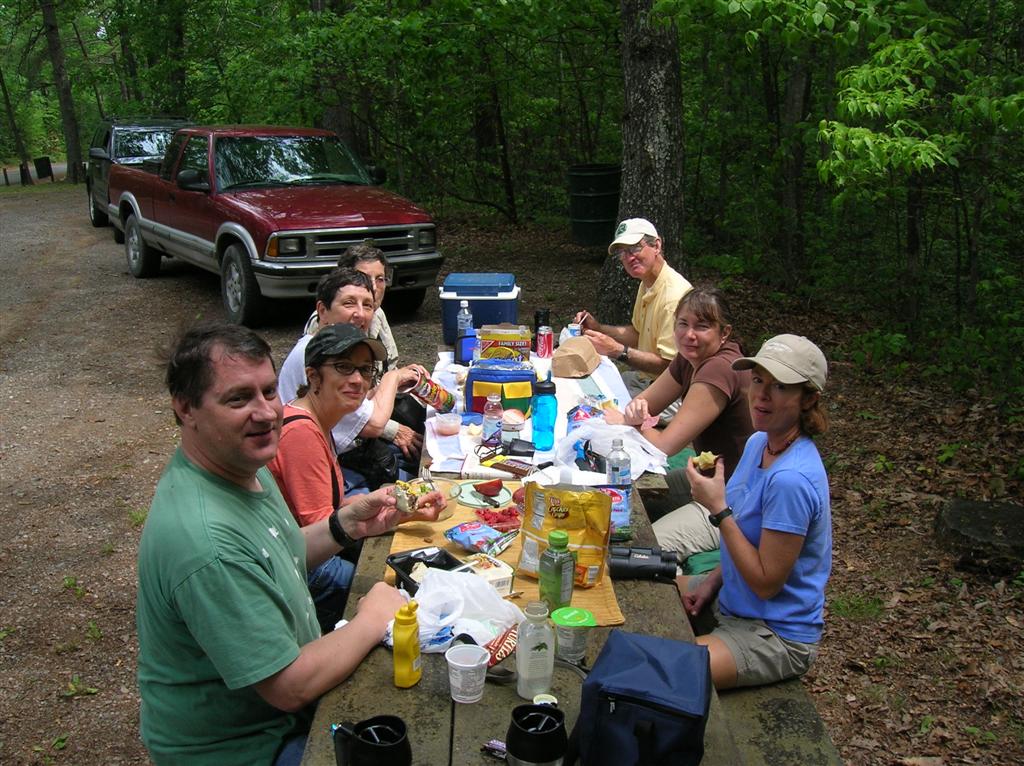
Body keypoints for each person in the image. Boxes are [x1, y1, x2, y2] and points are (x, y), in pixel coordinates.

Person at [136, 321, 442, 765]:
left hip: (278, 714)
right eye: (238, 398)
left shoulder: (238, 464)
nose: (265, 412)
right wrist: (371, 617)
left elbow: (274, 552)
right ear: (186, 408)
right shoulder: (206, 543)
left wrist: (346, 527)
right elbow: (288, 685)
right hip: (247, 747)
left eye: (266, 391)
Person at [679, 334, 831, 689]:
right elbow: (749, 537)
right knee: (643, 585)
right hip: (732, 595)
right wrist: (714, 579)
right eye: (758, 380)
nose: (761, 395)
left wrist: (718, 508)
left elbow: (765, 583)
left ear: (808, 398)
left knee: (662, 669)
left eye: (779, 386)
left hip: (774, 632)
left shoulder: (791, 480)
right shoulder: (759, 442)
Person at [268, 324, 421, 632]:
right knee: (402, 590)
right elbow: (323, 531)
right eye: (343, 367)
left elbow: (338, 506)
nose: (357, 380)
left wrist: (395, 505)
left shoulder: (321, 421)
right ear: (313, 376)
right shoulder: (301, 433)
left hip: (309, 552)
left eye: (365, 370)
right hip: (300, 571)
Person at [605, 288, 754, 559]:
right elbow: (642, 405)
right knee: (614, 507)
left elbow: (666, 445)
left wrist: (635, 423)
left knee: (640, 551)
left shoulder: (720, 368)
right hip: (704, 478)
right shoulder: (688, 357)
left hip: (734, 502)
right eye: (682, 324)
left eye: (702, 326)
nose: (689, 335)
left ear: (725, 333)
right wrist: (635, 416)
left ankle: (678, 593)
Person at [279, 267, 424, 475]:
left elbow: (355, 402)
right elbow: (373, 424)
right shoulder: (314, 354)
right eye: (349, 303)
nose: (360, 314)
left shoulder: (342, 349)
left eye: (367, 305)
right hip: (331, 464)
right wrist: (392, 377)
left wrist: (395, 383)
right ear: (322, 311)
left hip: (341, 453)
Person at [574, 217, 692, 417]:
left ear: (657, 245)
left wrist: (617, 350)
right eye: (623, 252)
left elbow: (670, 366)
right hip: (645, 380)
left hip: (675, 394)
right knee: (588, 387)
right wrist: (599, 328)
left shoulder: (673, 296)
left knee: (598, 410)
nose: (629, 257)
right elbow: (638, 334)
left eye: (635, 248)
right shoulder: (647, 282)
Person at [304, 241, 399, 370]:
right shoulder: (326, 319)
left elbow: (391, 364)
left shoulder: (378, 313)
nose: (374, 287)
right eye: (364, 278)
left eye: (380, 279)